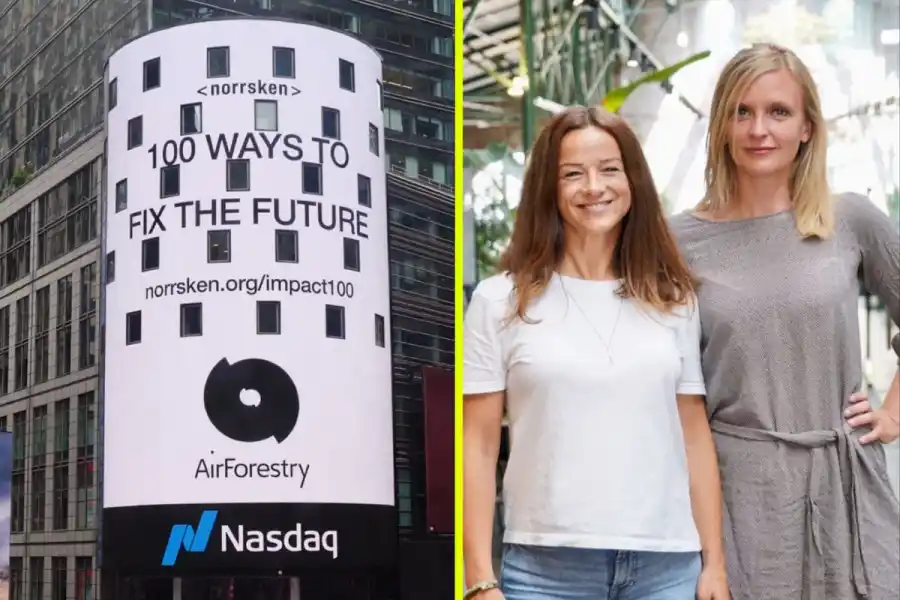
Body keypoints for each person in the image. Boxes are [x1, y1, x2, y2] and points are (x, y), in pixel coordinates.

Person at [463, 106, 731, 600]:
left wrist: (713, 563)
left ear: (633, 181)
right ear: (549, 187)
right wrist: (479, 579)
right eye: (573, 174)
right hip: (546, 571)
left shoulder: (672, 300)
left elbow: (694, 436)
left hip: (667, 568)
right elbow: (477, 448)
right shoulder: (499, 300)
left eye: (610, 169)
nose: (594, 186)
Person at [669, 43, 900, 600]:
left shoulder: (849, 219)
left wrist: (893, 413)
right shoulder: (678, 240)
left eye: (778, 112)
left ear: (806, 128)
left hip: (843, 479)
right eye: (741, 111)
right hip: (739, 492)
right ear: (721, 125)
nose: (758, 129)